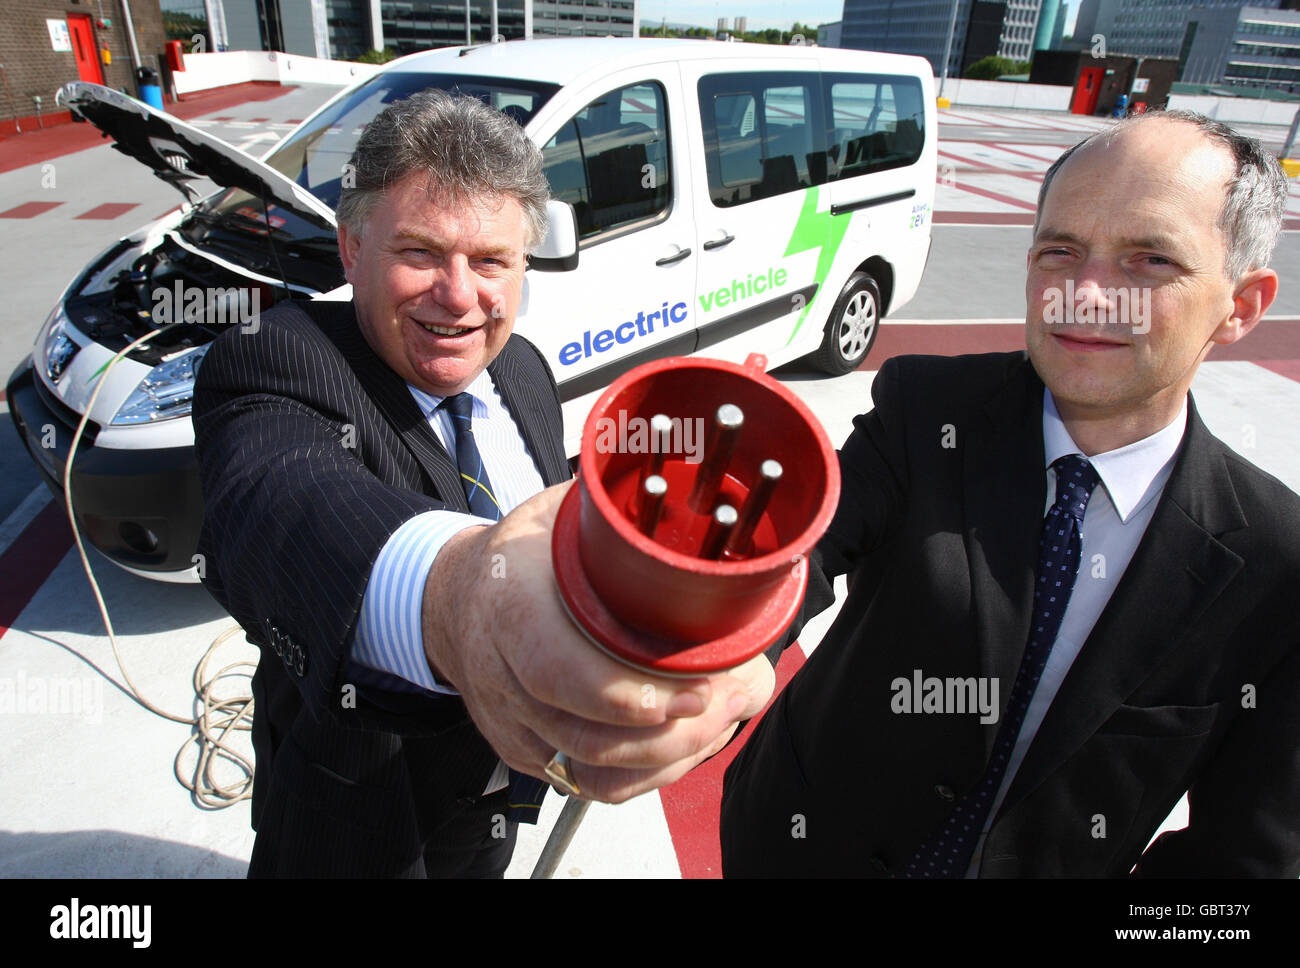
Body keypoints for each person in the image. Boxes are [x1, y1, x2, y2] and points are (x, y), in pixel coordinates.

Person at [192, 91, 774, 877]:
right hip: (355, 822)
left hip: (494, 803)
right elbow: (284, 503)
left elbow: (543, 501)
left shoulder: (523, 369)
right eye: (421, 253)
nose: (461, 296)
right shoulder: (275, 358)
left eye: (492, 261)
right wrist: (460, 598)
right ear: (352, 250)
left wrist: (651, 500)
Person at [720, 110, 1300, 877]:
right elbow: (804, 547)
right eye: (1061, 250)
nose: (1088, 295)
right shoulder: (925, 407)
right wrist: (721, 649)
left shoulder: (1275, 558)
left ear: (1243, 305)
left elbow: (1247, 857)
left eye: (1150, 260)